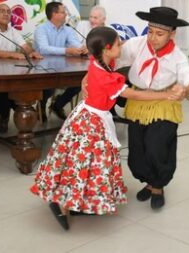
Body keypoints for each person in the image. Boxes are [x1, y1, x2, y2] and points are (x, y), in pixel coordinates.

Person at [30, 26, 181, 230]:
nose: (122, 45)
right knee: (82, 163)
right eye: (119, 43)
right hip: (92, 124)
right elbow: (135, 95)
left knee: (83, 163)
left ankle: (76, 201)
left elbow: (121, 49)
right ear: (108, 49)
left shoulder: (97, 61)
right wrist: (166, 95)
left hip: (85, 116)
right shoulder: (107, 78)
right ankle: (62, 203)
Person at [118, 7, 189, 209]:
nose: (153, 38)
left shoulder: (177, 57)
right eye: (150, 31)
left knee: (157, 148)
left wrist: (184, 91)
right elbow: (114, 53)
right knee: (138, 152)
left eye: (159, 34)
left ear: (172, 34)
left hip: (164, 104)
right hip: (138, 102)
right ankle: (149, 182)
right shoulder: (137, 45)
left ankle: (158, 187)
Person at [0, 3, 43, 133]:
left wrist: (31, 52)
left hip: (10, 70)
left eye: (8, 11)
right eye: (2, 11)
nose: (6, 14)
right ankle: (5, 117)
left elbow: (24, 46)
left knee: (19, 87)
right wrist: (14, 55)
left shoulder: (13, 30)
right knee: (4, 91)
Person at [34, 1, 86, 121]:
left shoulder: (67, 29)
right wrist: (67, 50)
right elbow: (44, 49)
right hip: (43, 67)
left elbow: (75, 43)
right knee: (49, 85)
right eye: (63, 12)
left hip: (63, 66)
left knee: (79, 81)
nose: (66, 14)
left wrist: (82, 49)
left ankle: (58, 105)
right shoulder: (41, 29)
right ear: (54, 14)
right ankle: (41, 105)